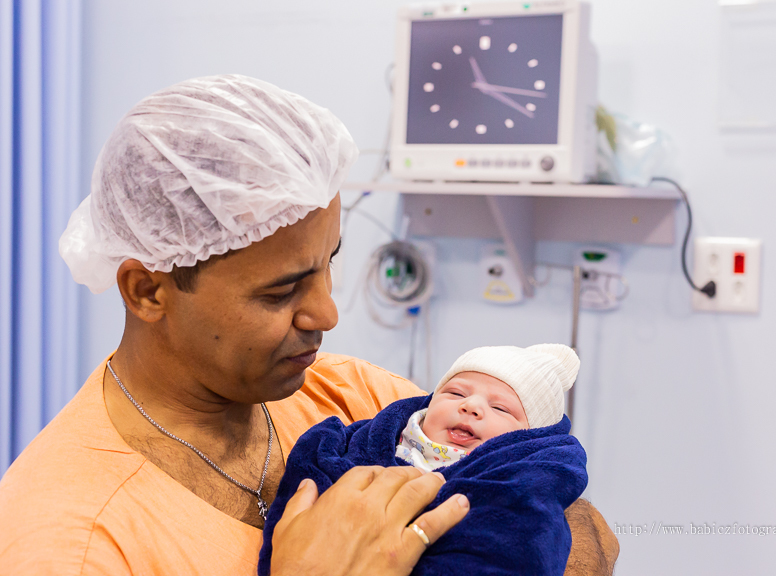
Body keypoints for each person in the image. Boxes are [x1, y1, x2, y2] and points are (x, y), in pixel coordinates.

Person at [0, 75, 619, 575]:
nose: (327, 313)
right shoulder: (77, 539)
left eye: (330, 264)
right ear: (148, 290)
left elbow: (589, 532)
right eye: (281, 290)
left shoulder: (350, 395)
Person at [260, 343, 587, 576]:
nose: (470, 406)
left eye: (500, 408)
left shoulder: (515, 474)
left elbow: (522, 540)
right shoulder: (374, 438)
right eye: (456, 393)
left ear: (527, 438)